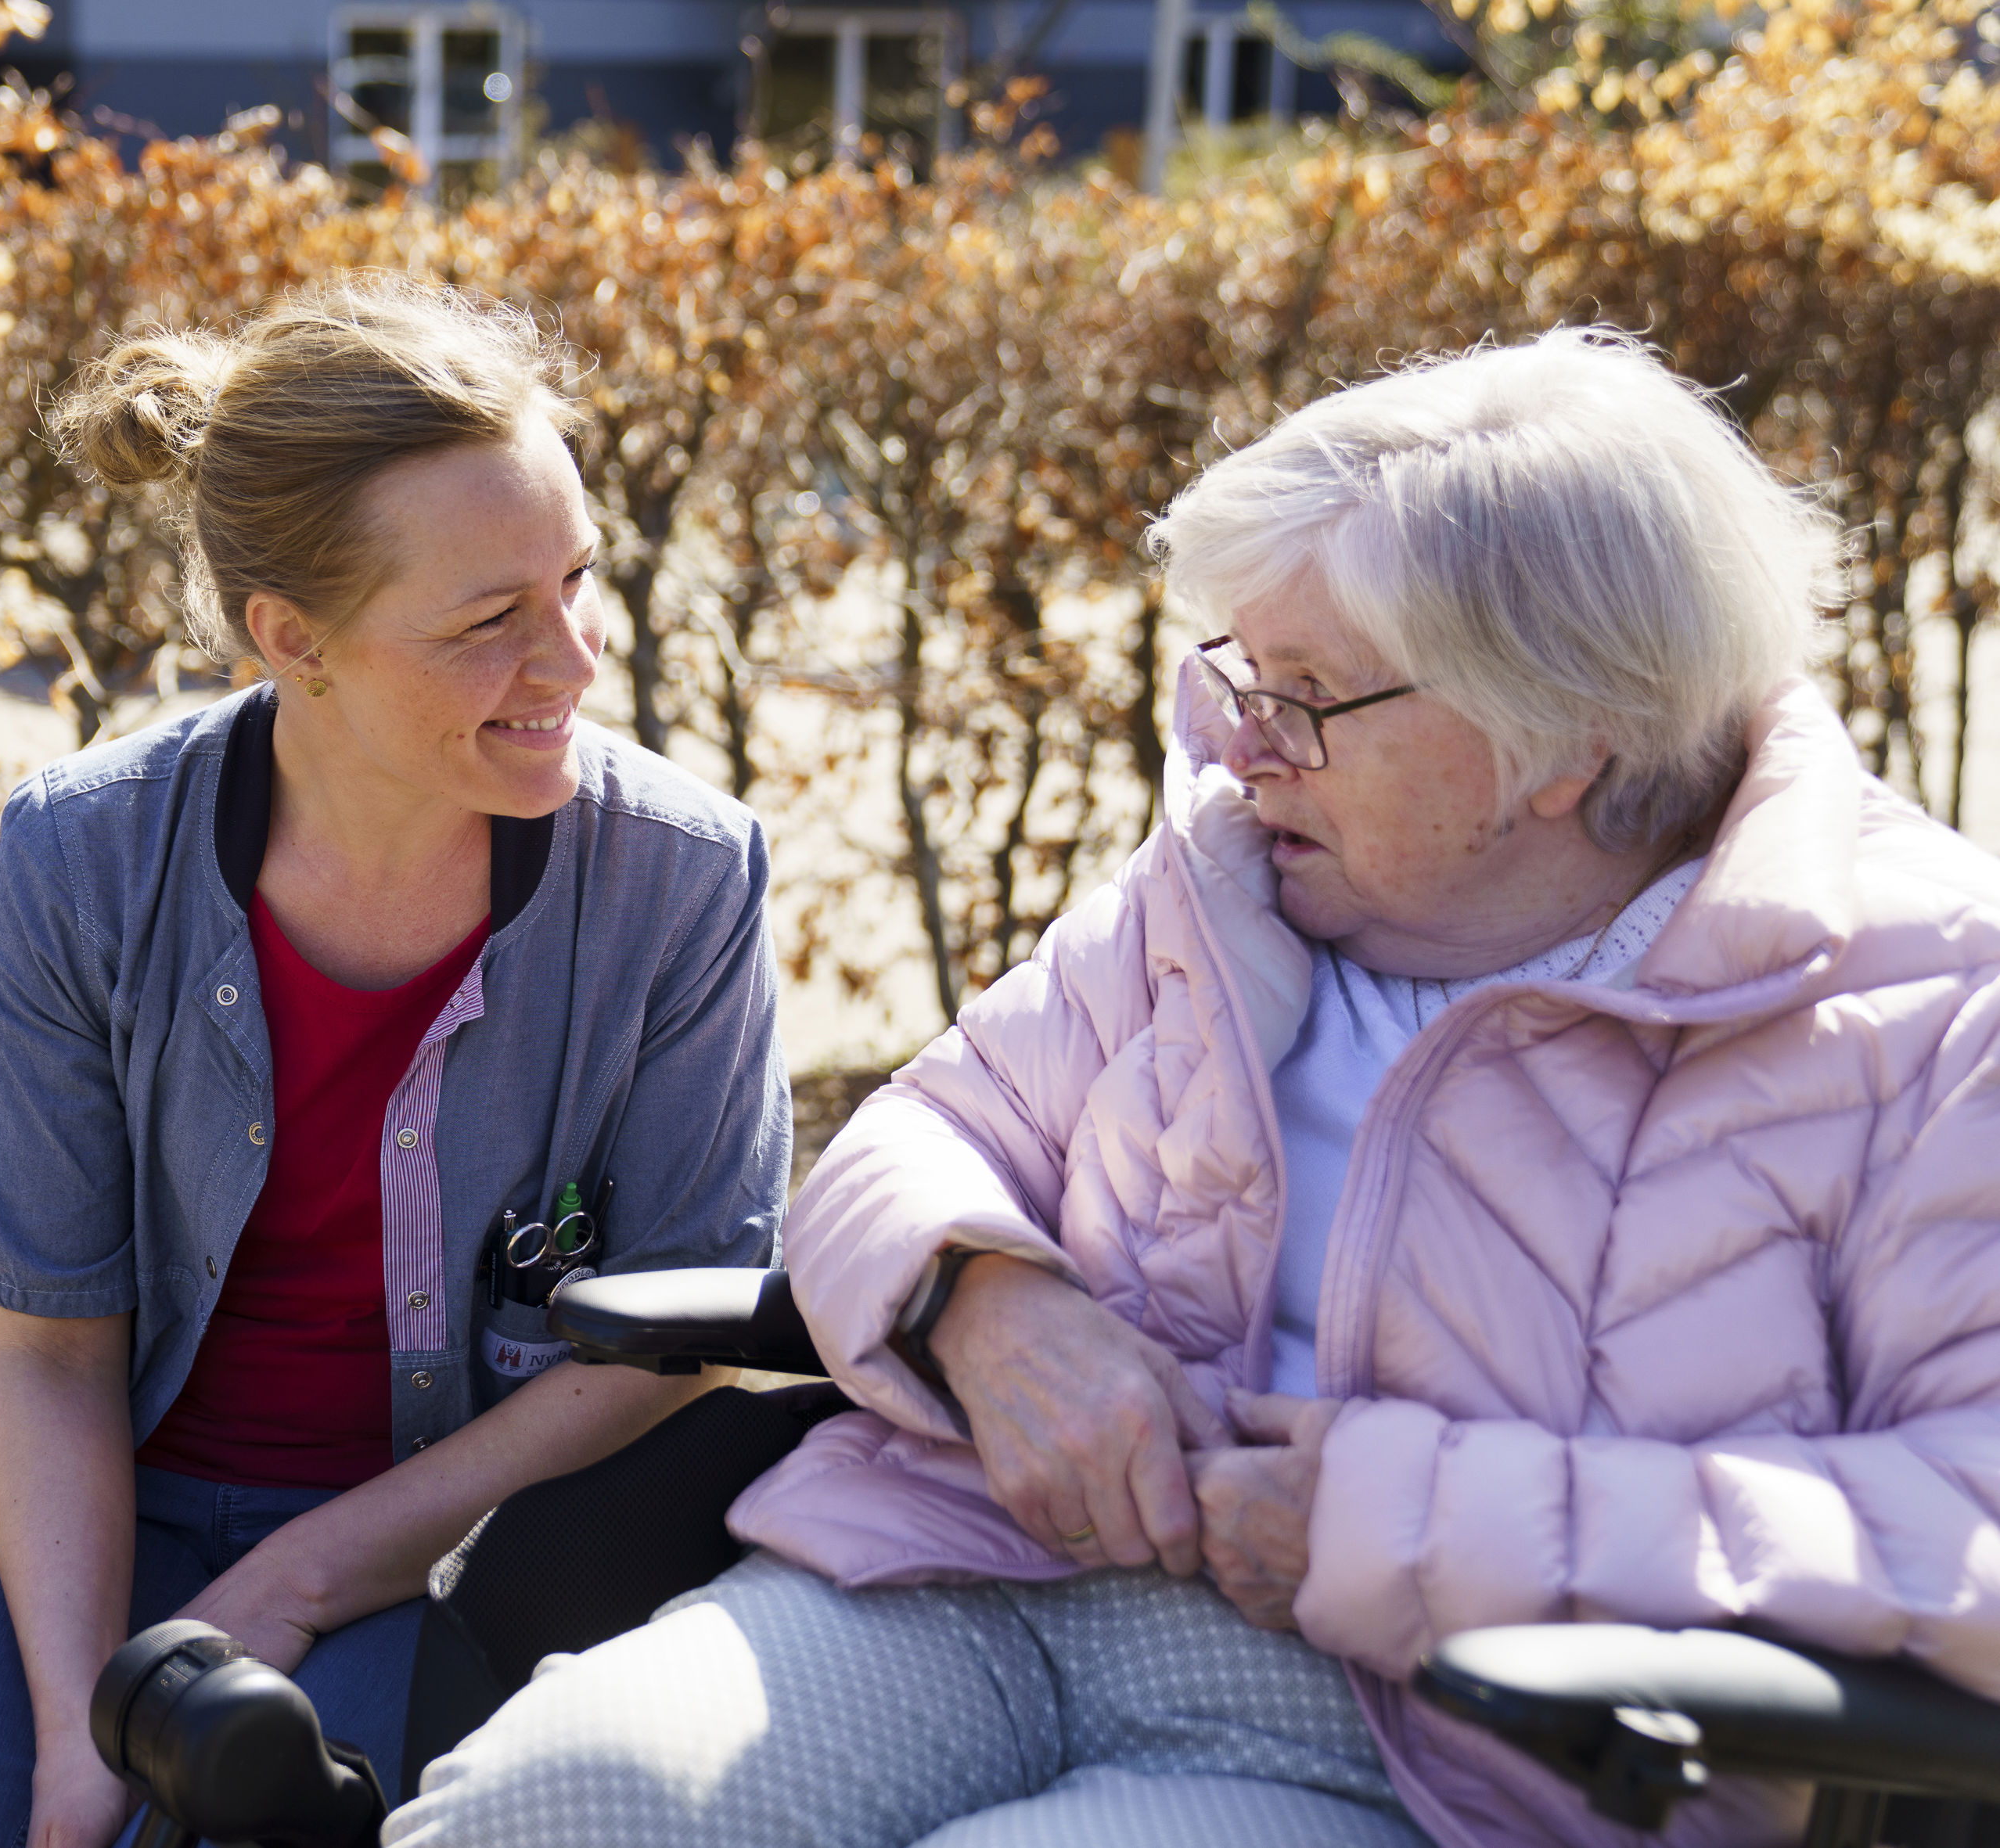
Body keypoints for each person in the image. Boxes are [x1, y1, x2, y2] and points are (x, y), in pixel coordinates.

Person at [386, 330, 2000, 1848]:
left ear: (1561, 734)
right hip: (974, 1573)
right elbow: (916, 1133)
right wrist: (980, 1294)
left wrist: (1397, 1520)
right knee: (544, 1802)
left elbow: (1966, 1536)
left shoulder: (1925, 1011)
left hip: (1437, 1740)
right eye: (1234, 676)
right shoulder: (1225, 883)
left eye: (1301, 695)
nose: (1237, 747)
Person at [0, 275, 790, 1848]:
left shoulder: (679, 878)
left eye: (576, 581)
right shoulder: (80, 857)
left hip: (445, 1534)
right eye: (488, 620)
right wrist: (71, 1738)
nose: (571, 664)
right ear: (290, 638)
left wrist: (296, 1579)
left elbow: (671, 1341)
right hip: (69, 1519)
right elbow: (43, 1348)